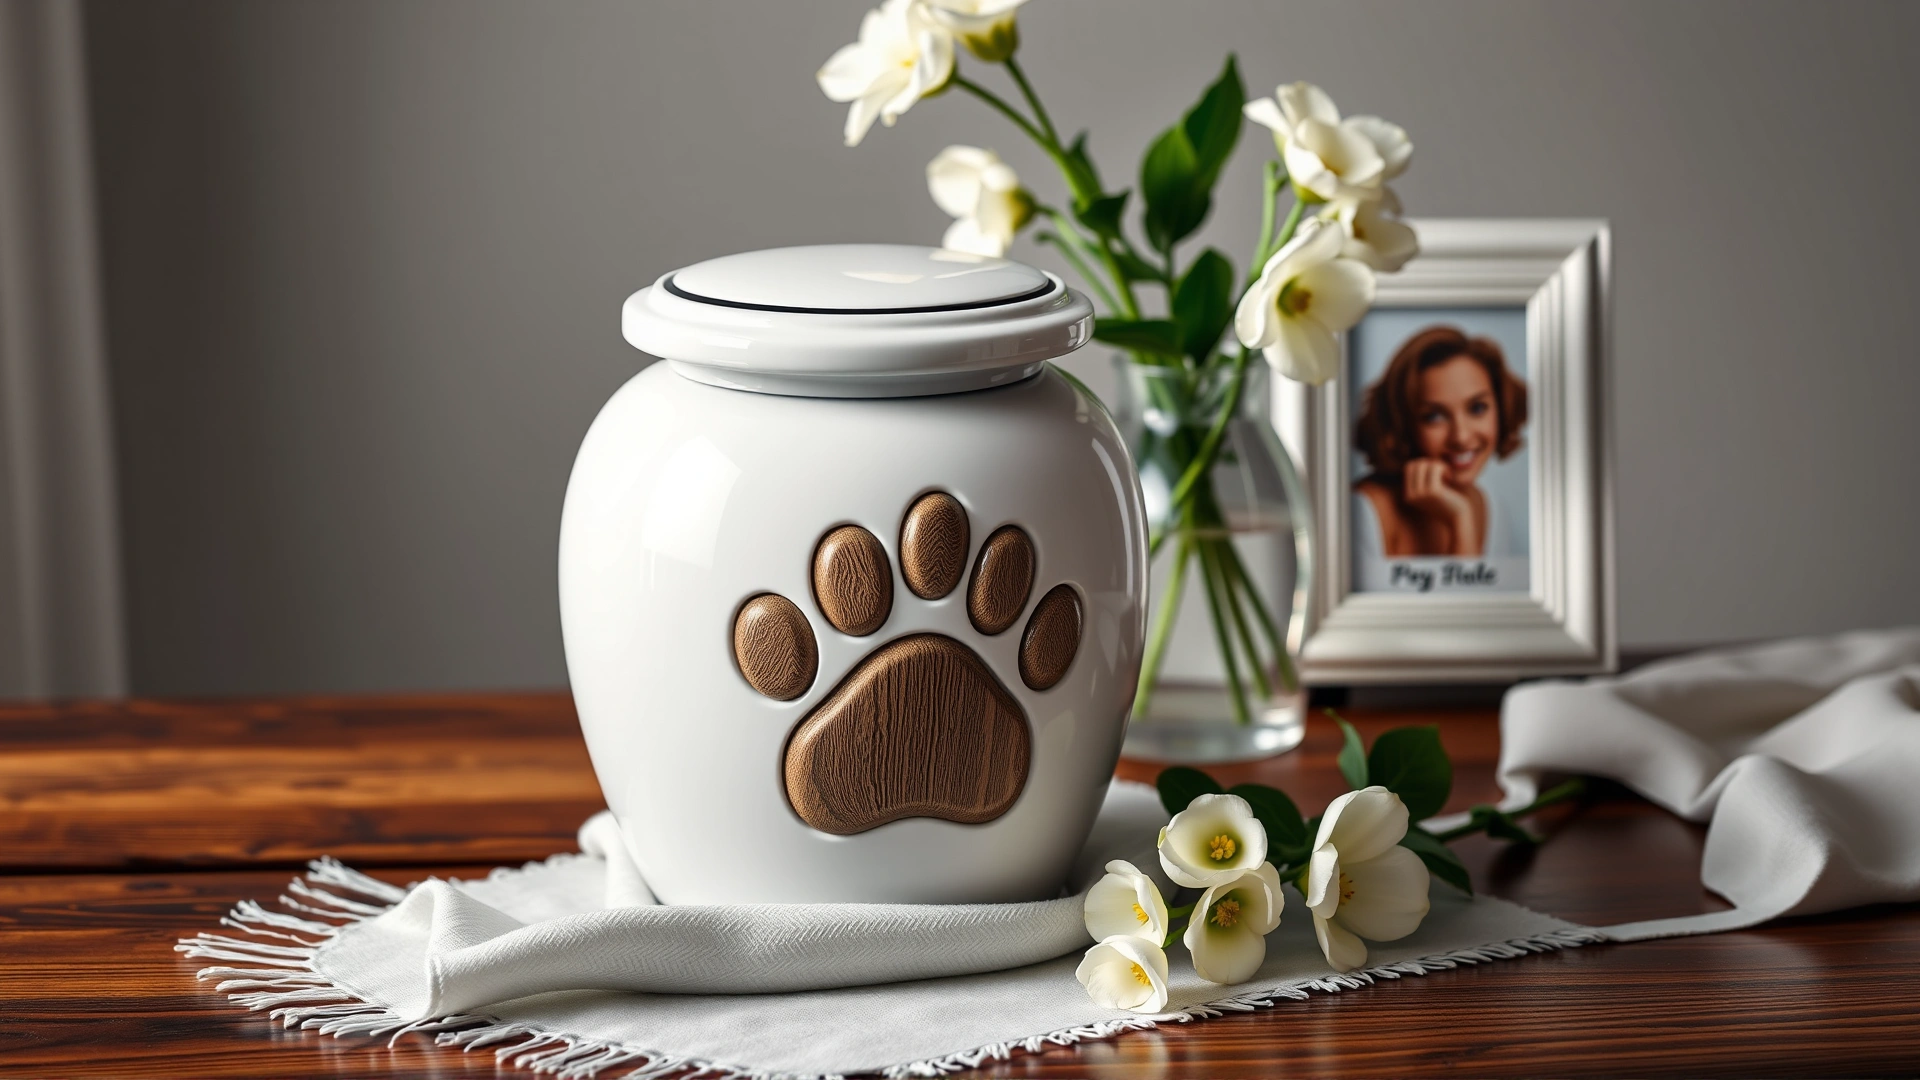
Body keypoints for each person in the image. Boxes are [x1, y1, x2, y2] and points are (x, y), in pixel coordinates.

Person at [1353, 325, 1529, 558]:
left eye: (1477, 408)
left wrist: (1460, 518)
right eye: (1434, 416)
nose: (1461, 437)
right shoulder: (1360, 513)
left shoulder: (1489, 506)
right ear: (1402, 423)